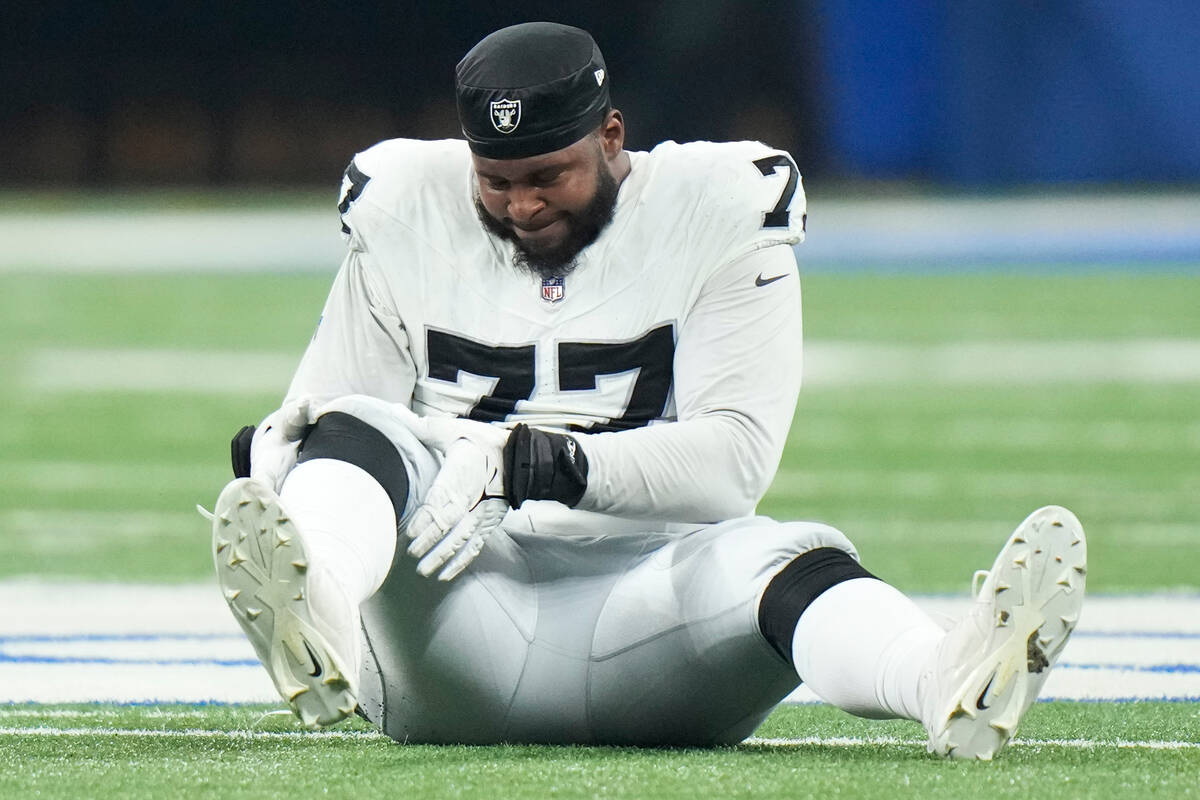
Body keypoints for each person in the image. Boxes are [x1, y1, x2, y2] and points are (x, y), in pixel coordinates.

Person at [209, 22, 1086, 759]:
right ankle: (314, 612)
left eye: (548, 175)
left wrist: (524, 462)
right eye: (496, 181)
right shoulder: (404, 200)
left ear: (612, 137)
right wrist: (280, 461)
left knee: (774, 557)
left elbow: (733, 463)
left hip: (656, 616)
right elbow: (321, 428)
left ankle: (942, 680)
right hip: (453, 624)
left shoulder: (716, 205)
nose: (521, 206)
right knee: (352, 429)